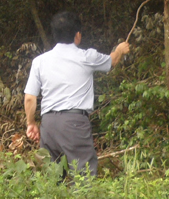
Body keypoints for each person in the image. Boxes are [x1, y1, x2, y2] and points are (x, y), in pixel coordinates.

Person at [24, 11, 130, 176]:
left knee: (52, 178)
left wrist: (31, 123)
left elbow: (30, 98)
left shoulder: (39, 61)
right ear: (78, 35)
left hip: (48, 124)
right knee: (83, 176)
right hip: (74, 123)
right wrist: (120, 50)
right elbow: (113, 60)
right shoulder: (86, 57)